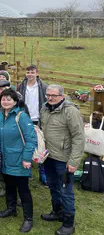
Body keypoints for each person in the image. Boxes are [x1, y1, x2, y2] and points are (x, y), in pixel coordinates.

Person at [40, 84, 84, 235]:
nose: (50, 98)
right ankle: (57, 212)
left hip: (64, 160)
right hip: (48, 157)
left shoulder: (71, 112)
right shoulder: (44, 108)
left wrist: (73, 161)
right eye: (48, 95)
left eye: (54, 95)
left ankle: (68, 223)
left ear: (62, 96)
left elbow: (79, 137)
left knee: (66, 191)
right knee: (53, 186)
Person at [0, 89, 37, 233]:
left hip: (19, 160)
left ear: (15, 101)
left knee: (23, 190)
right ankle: (11, 209)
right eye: (3, 99)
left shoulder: (22, 117)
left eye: (8, 99)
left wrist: (26, 159)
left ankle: (28, 219)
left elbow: (31, 139)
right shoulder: (0, 115)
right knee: (9, 186)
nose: (5, 101)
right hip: (5, 159)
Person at [17, 65, 49, 186]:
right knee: (26, 144)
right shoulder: (21, 86)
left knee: (41, 144)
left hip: (38, 119)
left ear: (37, 73)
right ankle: (28, 171)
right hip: (26, 118)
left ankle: (43, 173)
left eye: (32, 72)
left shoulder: (43, 87)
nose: (30, 74)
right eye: (28, 72)